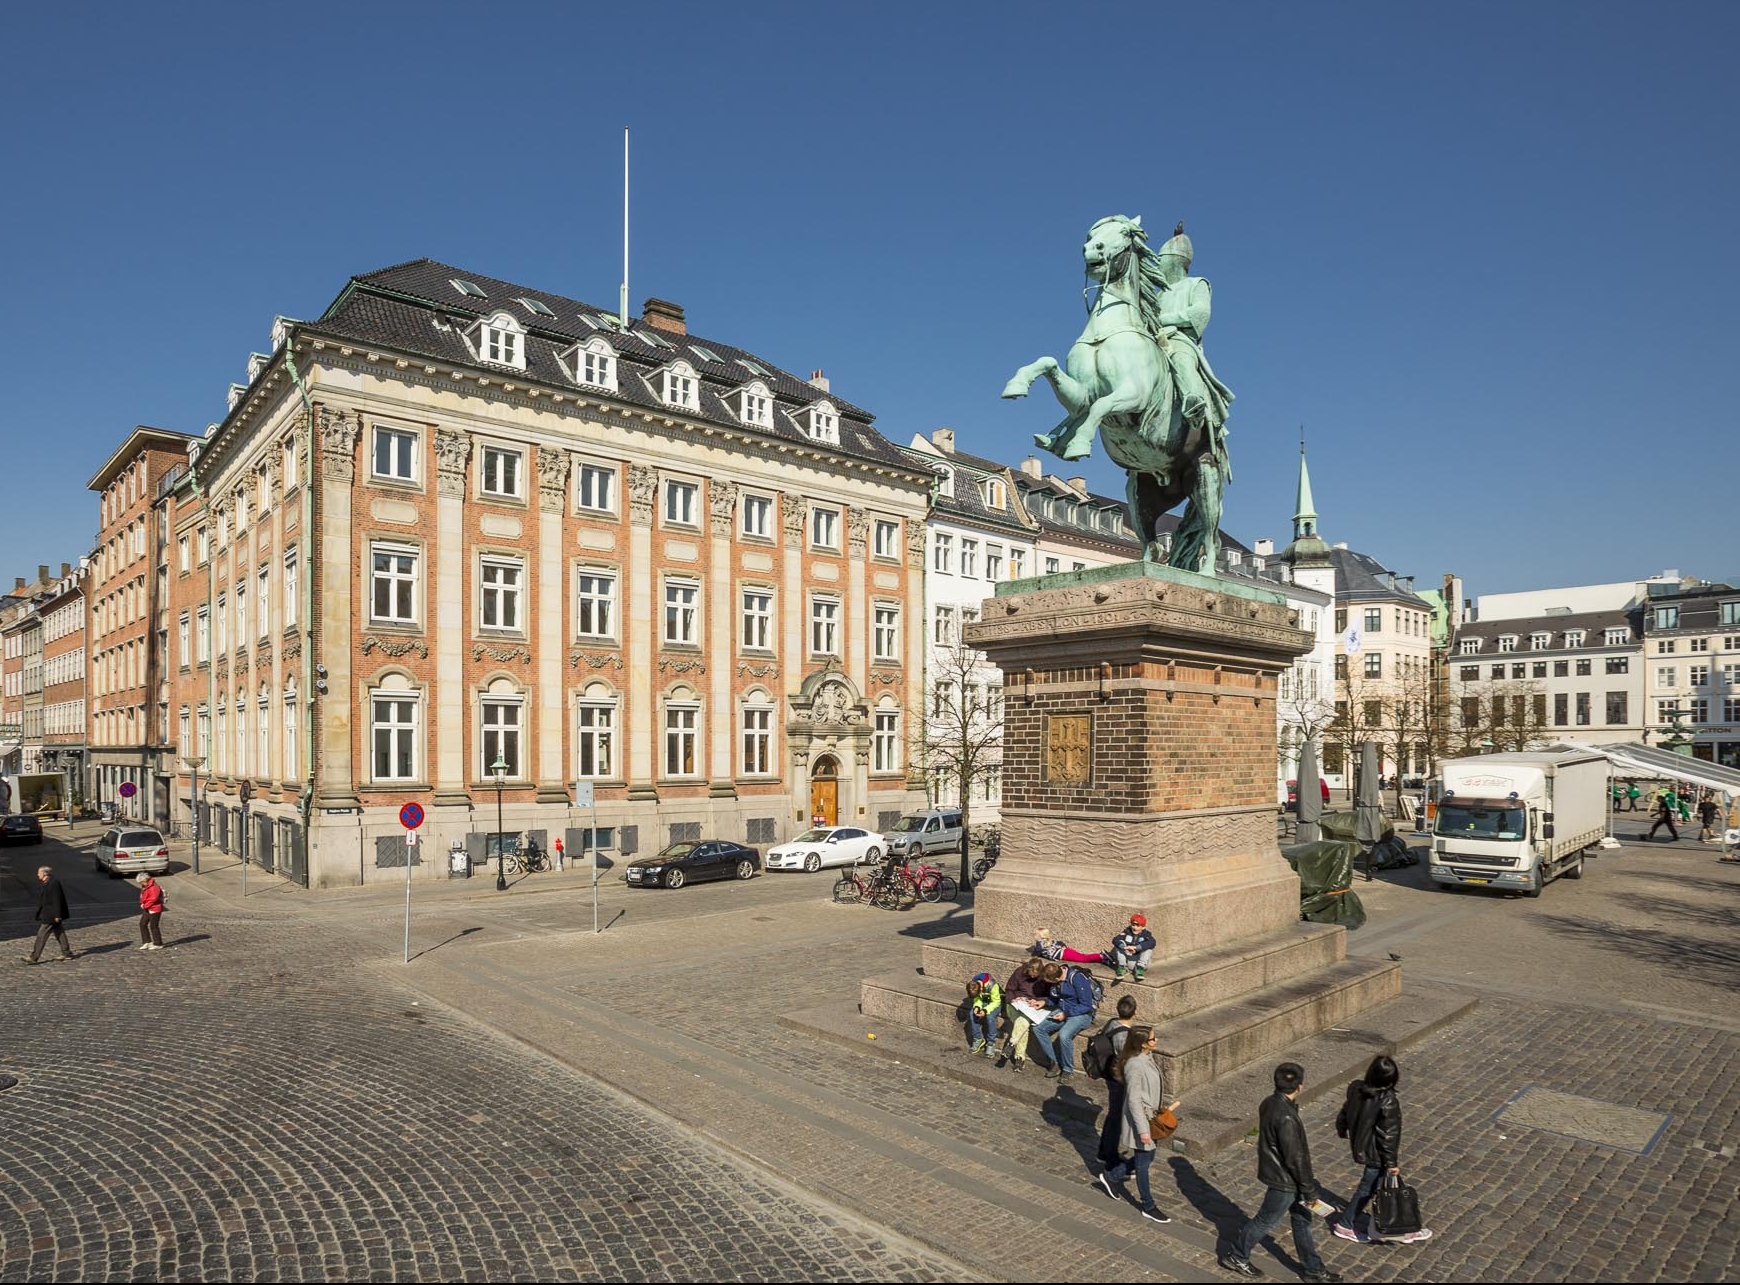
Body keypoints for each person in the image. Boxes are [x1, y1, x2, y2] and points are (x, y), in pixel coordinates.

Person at [1220, 1062, 1340, 1283]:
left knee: (1302, 1221)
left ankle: (1313, 1269)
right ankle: (1237, 1255)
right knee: (1264, 1221)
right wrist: (1309, 1189)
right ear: (1300, 1086)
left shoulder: (1270, 1103)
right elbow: (1296, 1158)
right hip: (1285, 1181)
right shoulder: (1286, 1117)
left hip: (1281, 1175)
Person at [1328, 1055, 1432, 1245]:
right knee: (1375, 1189)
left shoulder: (1356, 1088)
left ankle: (1403, 1227)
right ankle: (1350, 1224)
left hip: (1364, 1147)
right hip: (1377, 1153)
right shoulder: (1388, 1100)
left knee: (1374, 1187)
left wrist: (1342, 1128)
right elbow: (1388, 1136)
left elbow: (1345, 1111)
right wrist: (1392, 1163)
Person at [1094, 1025, 1179, 1225]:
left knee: (1148, 1157)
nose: (1155, 1041)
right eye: (1152, 1039)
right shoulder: (1134, 1065)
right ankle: (1148, 1205)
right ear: (1141, 1043)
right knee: (1143, 1163)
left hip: (1151, 1119)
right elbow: (1133, 1100)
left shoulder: (1146, 1058)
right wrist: (1143, 1131)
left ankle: (1112, 1176)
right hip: (1141, 1122)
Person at [1030, 960, 1099, 1081]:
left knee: (1064, 1035)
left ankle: (1068, 1069)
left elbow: (1086, 1005)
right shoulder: (1058, 979)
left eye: (1050, 982)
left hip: (1082, 1014)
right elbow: (1055, 998)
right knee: (1038, 1028)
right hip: (1063, 1010)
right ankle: (1054, 1062)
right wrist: (1044, 1002)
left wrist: (1066, 1014)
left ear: (1056, 978)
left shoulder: (1077, 978)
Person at [1096, 995, 1141, 1169]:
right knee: (1116, 1118)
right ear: (1135, 1012)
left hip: (1111, 1075)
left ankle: (1103, 1150)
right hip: (1118, 1079)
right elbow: (1125, 1059)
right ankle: (1110, 1158)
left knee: (1113, 1116)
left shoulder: (1112, 1023)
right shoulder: (1123, 1035)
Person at [1002, 958, 1053, 1072]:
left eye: (1036, 975)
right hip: (1015, 1004)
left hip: (1031, 1006)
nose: (1033, 977)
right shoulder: (1019, 972)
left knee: (1023, 1021)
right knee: (1023, 1025)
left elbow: (1049, 996)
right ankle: (1019, 1059)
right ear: (1028, 969)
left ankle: (1012, 1043)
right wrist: (1013, 999)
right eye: (1031, 974)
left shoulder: (1044, 977)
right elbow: (1009, 990)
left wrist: (1037, 1001)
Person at [23, 866, 74, 965]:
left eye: (39, 873)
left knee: (41, 935)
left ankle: (34, 957)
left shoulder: (54, 883)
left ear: (45, 874)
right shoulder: (47, 883)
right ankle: (67, 953)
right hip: (49, 913)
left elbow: (57, 900)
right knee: (60, 933)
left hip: (51, 914)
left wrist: (57, 915)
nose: (37, 874)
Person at [1109, 913, 1157, 983]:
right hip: (1128, 960)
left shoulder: (1146, 935)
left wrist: (1136, 948)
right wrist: (1125, 947)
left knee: (1148, 948)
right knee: (1119, 944)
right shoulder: (1126, 932)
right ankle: (1122, 967)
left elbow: (1152, 942)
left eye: (1138, 925)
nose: (1135, 927)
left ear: (1143, 927)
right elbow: (1115, 940)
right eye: (1133, 925)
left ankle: (1139, 969)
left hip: (1139, 962)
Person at [965, 972, 1002, 1056]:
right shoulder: (974, 984)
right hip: (984, 1002)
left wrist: (985, 1011)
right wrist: (977, 1007)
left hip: (995, 1003)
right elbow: (977, 999)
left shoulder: (992, 985)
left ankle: (991, 1042)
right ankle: (978, 1038)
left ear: (981, 988)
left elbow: (996, 1001)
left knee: (990, 1017)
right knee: (972, 1014)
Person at [1032, 927, 1109, 966]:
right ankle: (1102, 960)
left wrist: (1034, 953)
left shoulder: (1040, 942)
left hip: (1064, 954)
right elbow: (1060, 943)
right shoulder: (1048, 940)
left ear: (1040, 936)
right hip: (1065, 951)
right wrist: (1063, 947)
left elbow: (1038, 951)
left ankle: (1101, 956)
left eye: (1035, 934)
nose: (1034, 936)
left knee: (1083, 958)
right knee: (1083, 957)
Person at [138, 873, 166, 951]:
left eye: (141, 882)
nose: (140, 884)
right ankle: (147, 941)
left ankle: (158, 943)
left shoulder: (154, 887)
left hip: (155, 909)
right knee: (142, 924)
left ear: (145, 880)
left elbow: (153, 899)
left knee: (154, 926)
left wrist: (145, 905)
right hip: (148, 908)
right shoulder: (145, 886)